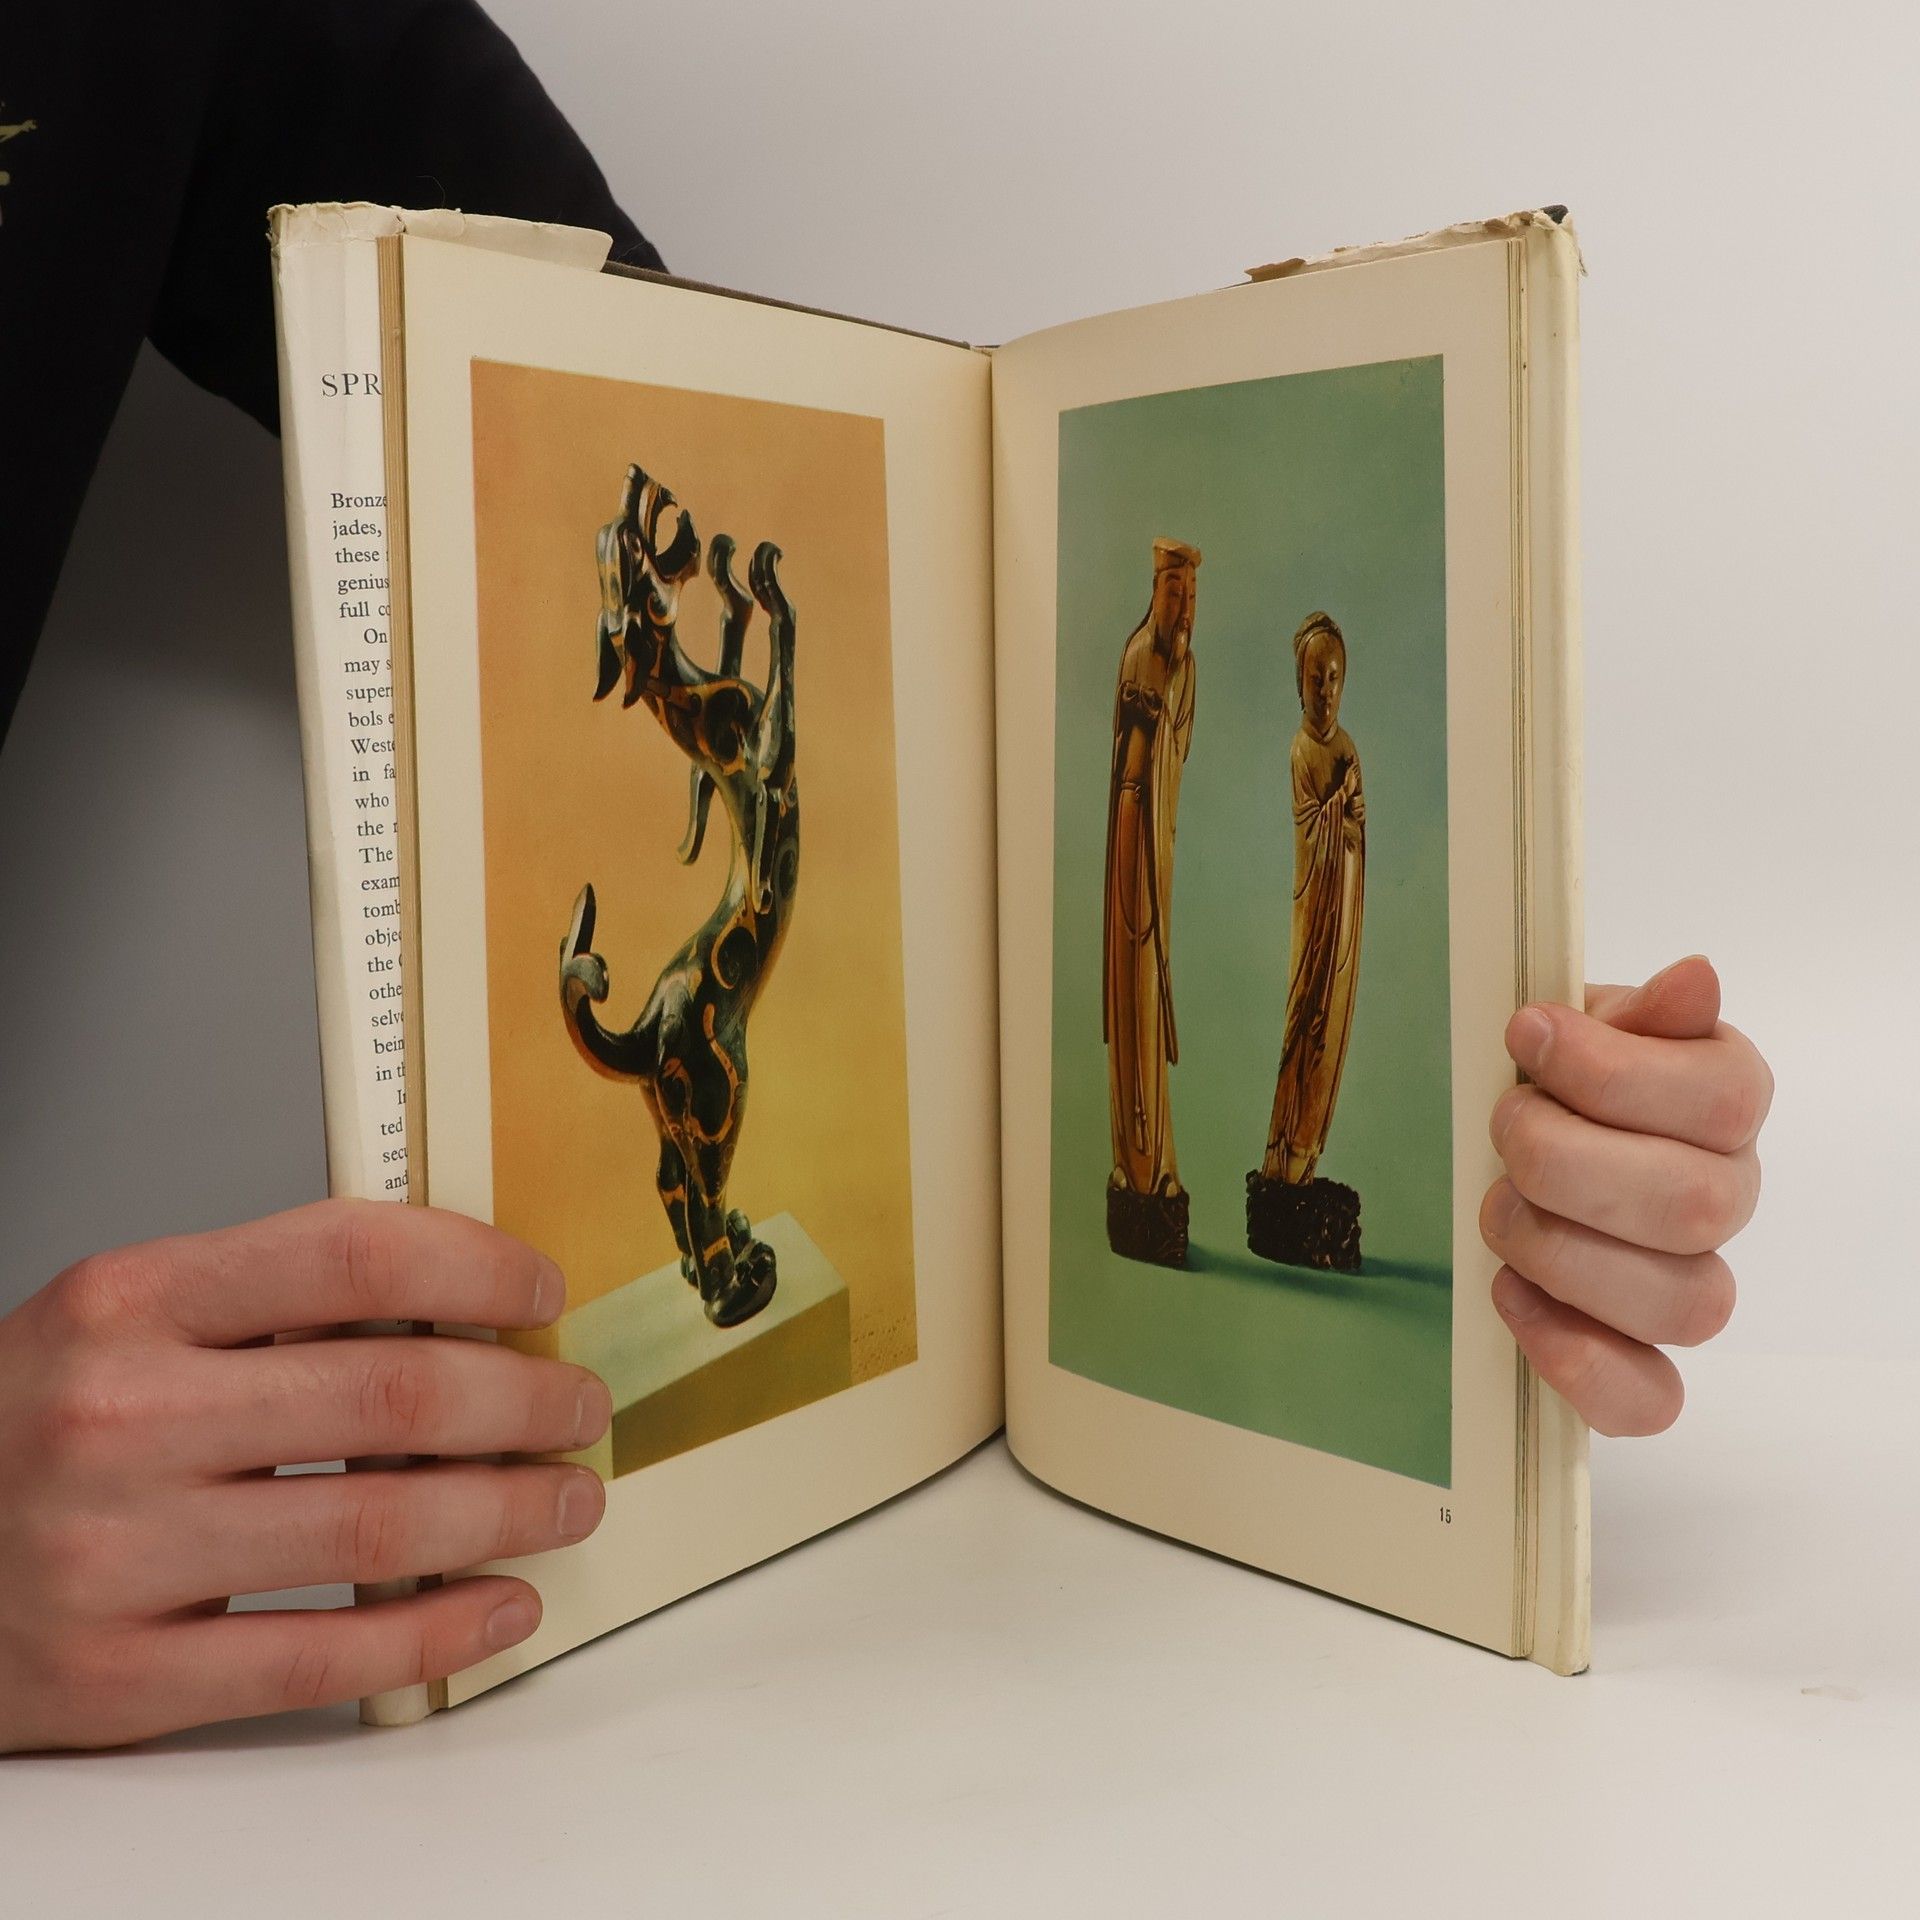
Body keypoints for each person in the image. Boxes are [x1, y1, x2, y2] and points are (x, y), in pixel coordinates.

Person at [0, 3, 1773, 1755]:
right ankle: (724, 1231)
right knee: (724, 1088)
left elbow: (586, 355)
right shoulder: (786, 712)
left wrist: (1524, 1036)